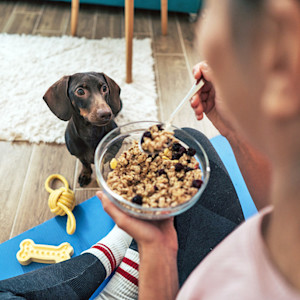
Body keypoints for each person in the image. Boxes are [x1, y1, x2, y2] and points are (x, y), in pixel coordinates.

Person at [1, 0, 299, 298]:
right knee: (187, 140)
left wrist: (158, 250)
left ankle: (114, 270)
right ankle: (118, 250)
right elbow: (281, 212)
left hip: (205, 272)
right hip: (253, 243)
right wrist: (233, 131)